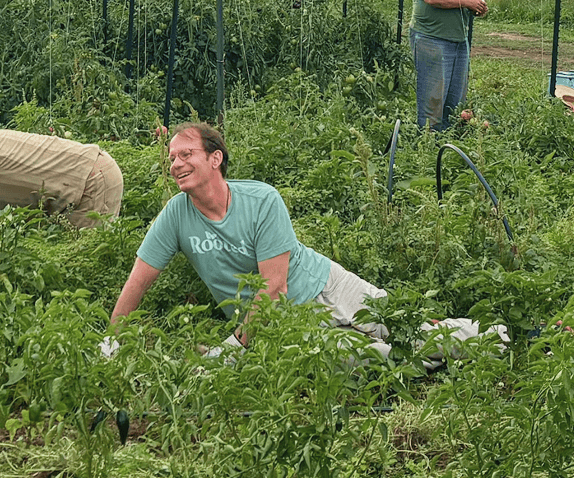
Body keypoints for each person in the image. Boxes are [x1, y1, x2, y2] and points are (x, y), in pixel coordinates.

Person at [105, 122, 507, 361]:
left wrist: (229, 352)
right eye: (172, 157)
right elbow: (138, 281)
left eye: (186, 153)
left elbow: (273, 289)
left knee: (406, 331)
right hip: (280, 326)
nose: (176, 163)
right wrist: (112, 339)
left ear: (215, 159)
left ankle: (493, 338)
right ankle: (423, 360)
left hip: (326, 285)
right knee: (363, 358)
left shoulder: (261, 200)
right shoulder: (176, 214)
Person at [409, 0, 488, 131]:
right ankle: (429, 141)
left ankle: (451, 137)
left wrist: (476, 7)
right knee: (433, 96)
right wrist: (467, 2)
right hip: (432, 38)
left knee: (456, 95)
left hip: (458, 39)